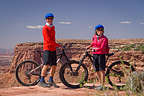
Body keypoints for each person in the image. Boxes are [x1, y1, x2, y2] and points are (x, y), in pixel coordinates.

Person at [38, 13, 62, 88]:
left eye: (51, 18)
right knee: (46, 64)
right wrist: (58, 45)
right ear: (46, 20)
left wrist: (56, 46)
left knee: (54, 65)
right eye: (48, 19)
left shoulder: (53, 27)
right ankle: (41, 81)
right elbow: (48, 40)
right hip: (47, 48)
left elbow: (53, 39)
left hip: (53, 49)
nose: (50, 20)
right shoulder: (45, 28)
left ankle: (51, 80)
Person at [86, 24, 109, 90]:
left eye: (101, 30)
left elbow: (102, 47)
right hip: (95, 54)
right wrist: (89, 46)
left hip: (101, 54)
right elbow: (93, 43)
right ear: (96, 30)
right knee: (96, 69)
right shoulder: (94, 37)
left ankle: (103, 85)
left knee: (102, 69)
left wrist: (95, 49)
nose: (100, 31)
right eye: (99, 30)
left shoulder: (104, 38)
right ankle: (100, 84)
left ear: (103, 31)